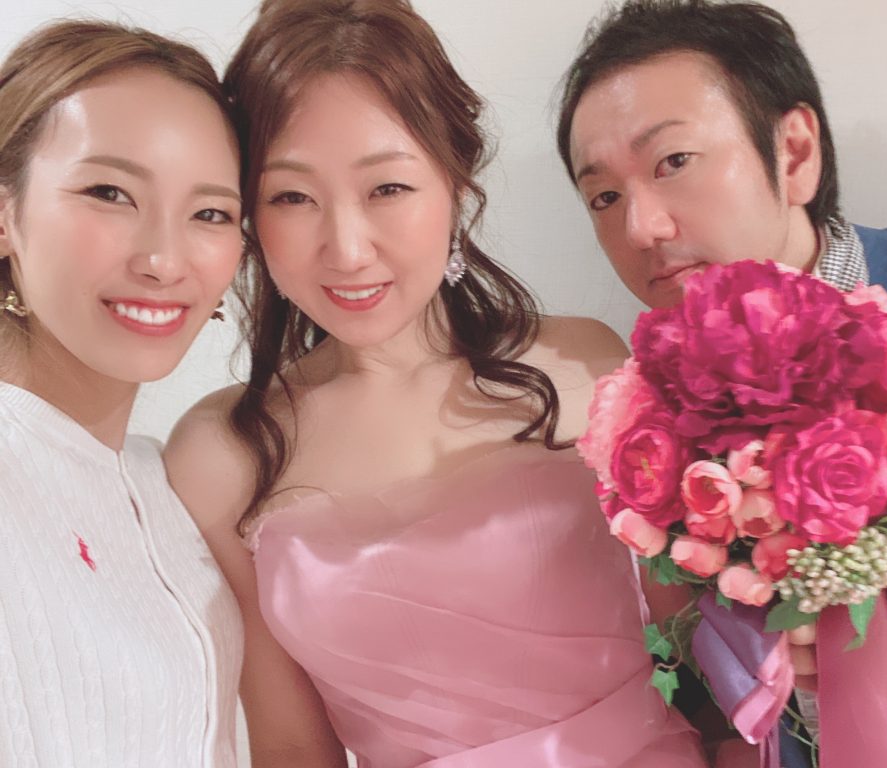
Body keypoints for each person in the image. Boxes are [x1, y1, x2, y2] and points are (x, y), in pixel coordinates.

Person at [163, 0, 714, 765]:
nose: (348, 249)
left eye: (386, 188)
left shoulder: (586, 362)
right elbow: (290, 745)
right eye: (292, 197)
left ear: (454, 183)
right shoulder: (220, 454)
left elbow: (703, 654)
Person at [556, 1, 887, 765]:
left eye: (673, 161)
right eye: (603, 197)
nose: (640, 227)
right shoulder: (645, 431)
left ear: (796, 152)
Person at [0, 19, 244, 768]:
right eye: (110, 193)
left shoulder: (165, 484)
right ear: (5, 213)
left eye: (210, 213)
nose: (165, 260)